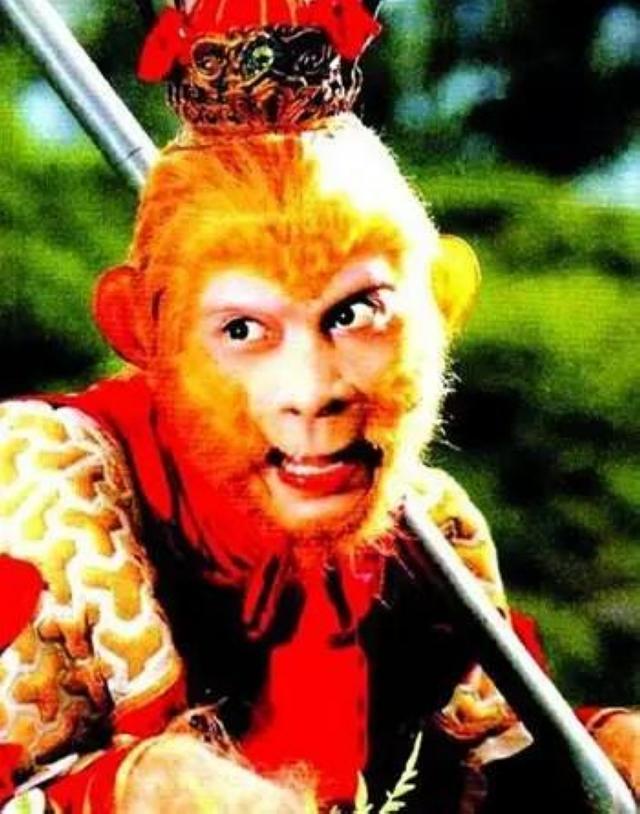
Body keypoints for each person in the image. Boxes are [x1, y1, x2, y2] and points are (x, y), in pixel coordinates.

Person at [0, 2, 637, 811]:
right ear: (143, 334)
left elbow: (498, 765)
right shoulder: (50, 485)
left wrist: (611, 748)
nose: (313, 391)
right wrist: (147, 789)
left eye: (358, 314)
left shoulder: (431, 528)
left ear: (443, 305)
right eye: (242, 329)